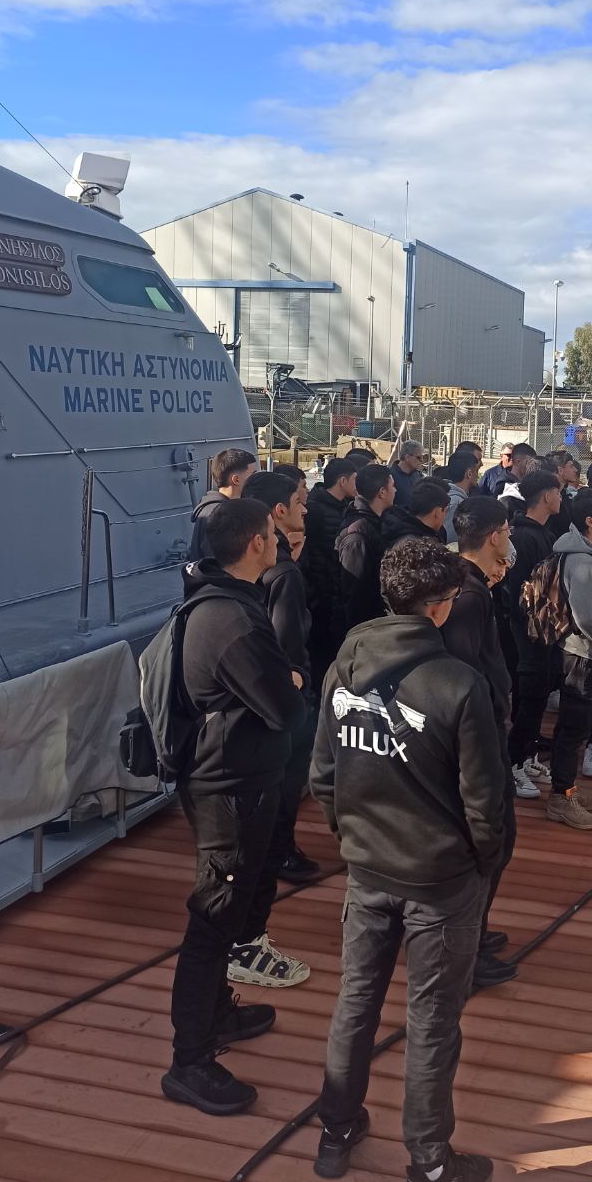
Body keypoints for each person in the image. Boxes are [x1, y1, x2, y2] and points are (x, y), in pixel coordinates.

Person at [310, 537, 505, 1182]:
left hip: (367, 868)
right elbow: (486, 805)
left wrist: (352, 840)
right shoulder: (459, 683)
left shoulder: (345, 663)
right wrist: (481, 866)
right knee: (432, 1022)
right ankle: (429, 1167)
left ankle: (336, 1131)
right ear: (441, 606)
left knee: (355, 1001)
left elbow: (323, 775)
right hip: (440, 881)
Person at [162, 498, 308, 1116]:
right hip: (229, 786)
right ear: (255, 543)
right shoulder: (234, 621)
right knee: (213, 917)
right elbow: (285, 707)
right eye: (273, 533)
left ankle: (218, 1011)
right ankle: (189, 1062)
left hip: (241, 777)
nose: (279, 541)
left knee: (235, 902)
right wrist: (293, 681)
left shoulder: (221, 601)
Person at [441, 497, 520, 989]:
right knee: (491, 839)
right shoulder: (468, 597)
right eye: (507, 532)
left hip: (483, 729)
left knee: (493, 840)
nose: (509, 540)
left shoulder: (467, 584)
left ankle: (472, 932)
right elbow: (462, 674)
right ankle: (462, 951)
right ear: (495, 535)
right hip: (477, 737)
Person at [240, 473, 320, 893]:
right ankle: (281, 850)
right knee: (288, 778)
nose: (305, 508)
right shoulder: (284, 575)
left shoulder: (243, 566)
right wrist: (302, 686)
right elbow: (288, 639)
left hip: (251, 694)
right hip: (286, 693)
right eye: (298, 501)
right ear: (279, 511)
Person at [547, 490, 592, 829]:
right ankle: (561, 797)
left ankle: (567, 789)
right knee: (574, 727)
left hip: (584, 652)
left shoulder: (585, 553)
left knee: (575, 726)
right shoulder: (583, 560)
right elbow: (587, 617)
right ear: (590, 521)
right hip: (583, 654)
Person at [504, 472, 563, 794]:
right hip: (529, 632)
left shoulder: (545, 533)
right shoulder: (525, 537)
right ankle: (513, 764)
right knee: (528, 698)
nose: (561, 498)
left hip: (546, 629)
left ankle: (528, 755)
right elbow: (517, 590)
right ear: (546, 496)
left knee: (539, 697)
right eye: (558, 492)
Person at [301, 458, 356, 687]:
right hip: (321, 597)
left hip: (336, 595)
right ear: (342, 481)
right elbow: (308, 552)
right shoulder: (316, 510)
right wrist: (318, 593)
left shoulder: (346, 507)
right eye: (355, 479)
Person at [336, 464, 396, 631]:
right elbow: (355, 595)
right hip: (365, 629)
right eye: (393, 486)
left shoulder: (375, 521)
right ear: (382, 492)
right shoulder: (358, 535)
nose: (395, 490)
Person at [188, 448, 257, 562]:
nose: (255, 479)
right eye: (252, 475)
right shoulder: (222, 515)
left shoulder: (209, 508)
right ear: (236, 480)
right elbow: (221, 562)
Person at [382, 478, 450, 549]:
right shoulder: (414, 545)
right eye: (445, 511)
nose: (445, 516)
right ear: (437, 512)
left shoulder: (403, 528)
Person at [442, 451, 480, 541]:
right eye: (477, 471)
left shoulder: (448, 494)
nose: (477, 475)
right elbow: (451, 541)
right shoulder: (456, 503)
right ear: (469, 473)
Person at [391, 441, 428, 510]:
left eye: (422, 457)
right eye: (419, 457)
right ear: (407, 457)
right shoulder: (389, 477)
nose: (422, 460)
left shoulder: (418, 476)